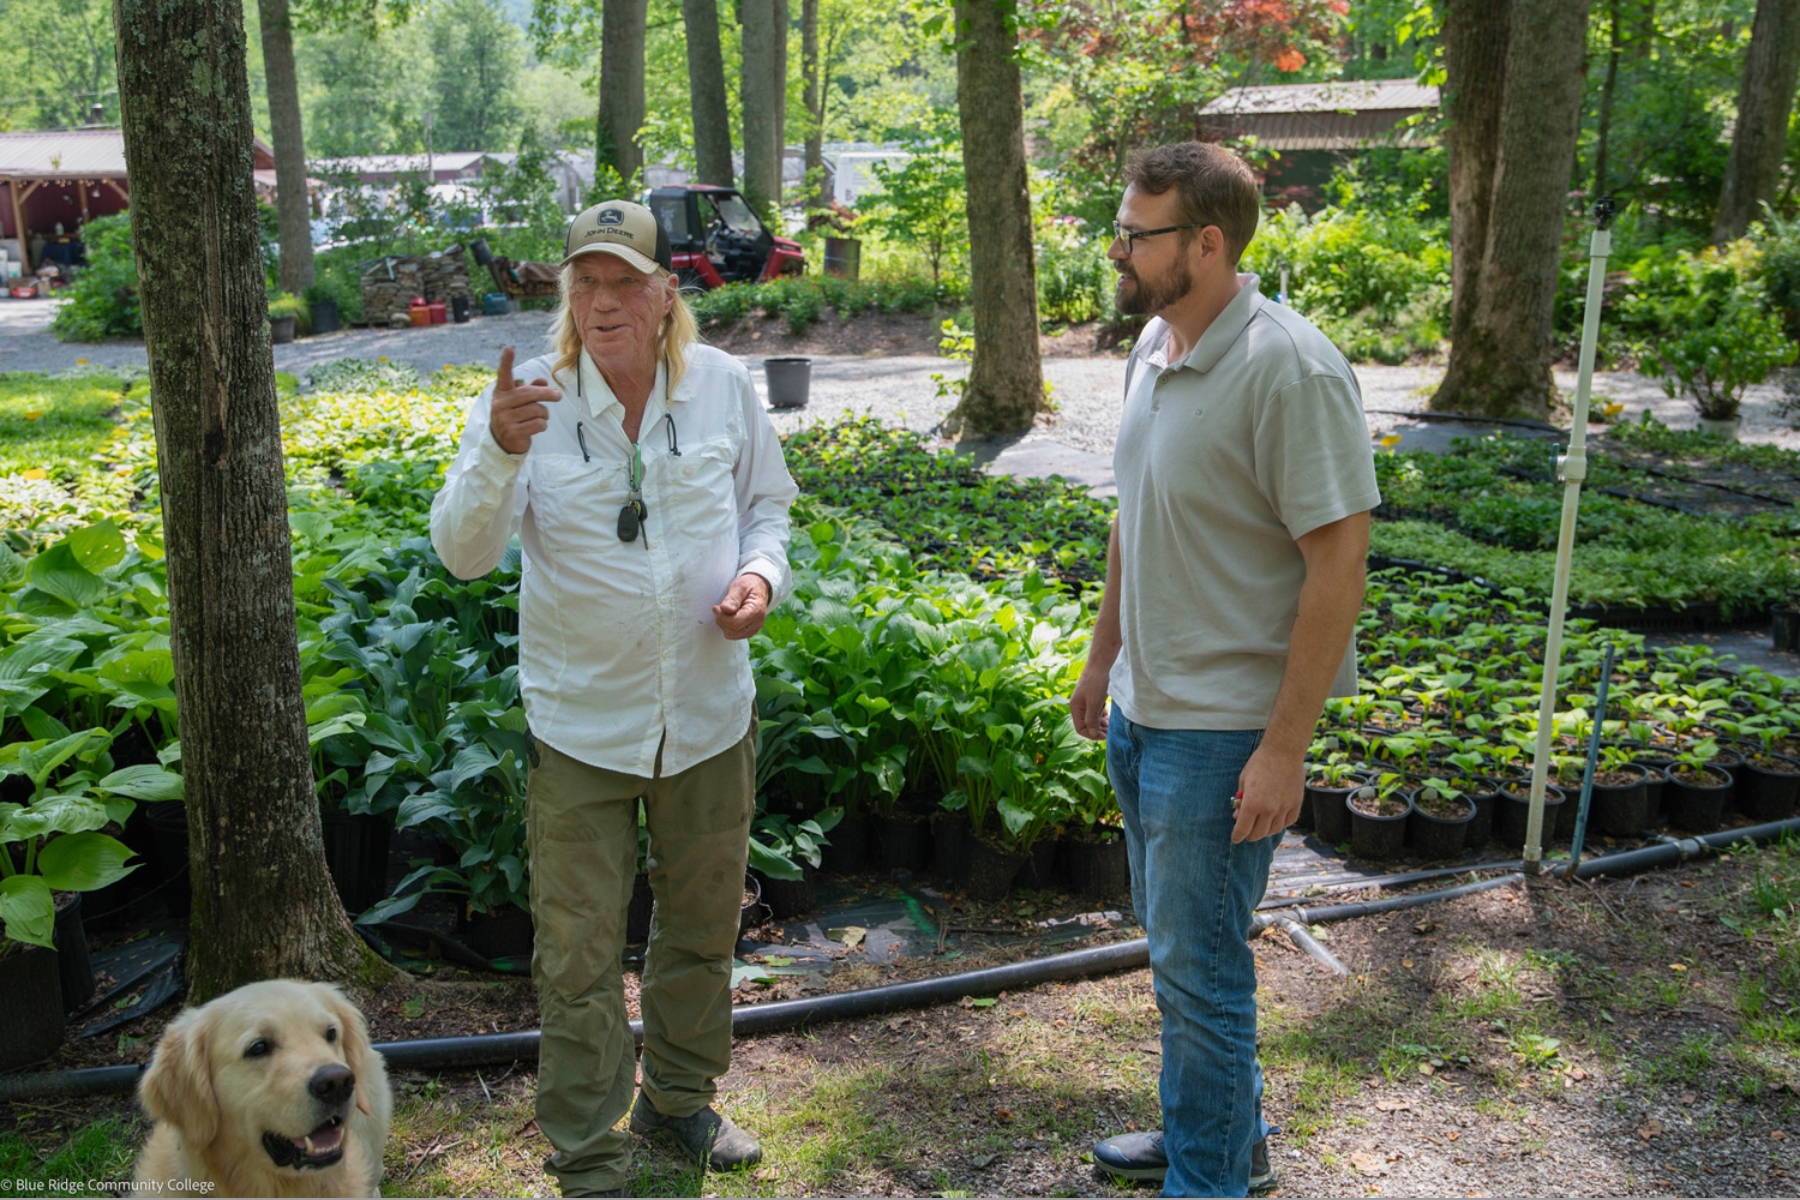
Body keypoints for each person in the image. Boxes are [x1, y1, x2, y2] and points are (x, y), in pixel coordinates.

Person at [430, 200, 798, 1198]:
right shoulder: (527, 407)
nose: (603, 302)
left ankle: (679, 1101)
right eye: (584, 283)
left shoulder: (722, 387)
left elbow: (769, 507)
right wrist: (497, 451)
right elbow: (462, 557)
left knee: (701, 927)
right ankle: (589, 1155)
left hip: (712, 719)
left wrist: (761, 579)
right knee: (579, 956)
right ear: (567, 296)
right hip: (583, 728)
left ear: (664, 291)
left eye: (624, 282)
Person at [1069, 143, 1380, 1197]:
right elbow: (1134, 512)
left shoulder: (1288, 366)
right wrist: (1103, 658)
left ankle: (1209, 1181)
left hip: (1223, 731)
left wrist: (1284, 748)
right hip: (1144, 709)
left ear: (1207, 241)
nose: (1118, 247)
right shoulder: (1154, 345)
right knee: (1180, 952)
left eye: (1137, 232)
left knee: (1201, 970)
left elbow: (1339, 560)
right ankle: (1218, 1131)